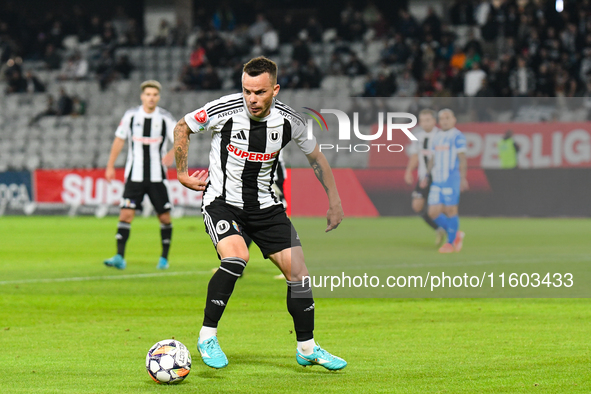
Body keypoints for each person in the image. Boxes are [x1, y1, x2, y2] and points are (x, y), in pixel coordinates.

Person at [173, 56, 347, 371]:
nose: (252, 99)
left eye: (260, 92)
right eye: (247, 91)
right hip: (222, 201)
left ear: (275, 90)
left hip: (266, 207)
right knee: (237, 257)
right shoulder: (222, 109)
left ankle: (307, 348)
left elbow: (317, 157)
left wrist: (334, 200)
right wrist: (182, 173)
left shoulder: (290, 120)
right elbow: (182, 127)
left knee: (299, 274)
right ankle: (207, 336)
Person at [103, 80, 177, 270]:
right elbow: (119, 140)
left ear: (158, 97)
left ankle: (164, 258)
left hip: (157, 177)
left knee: (164, 218)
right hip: (134, 175)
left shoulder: (165, 118)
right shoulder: (131, 116)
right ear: (142, 96)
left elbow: (181, 137)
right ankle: (119, 256)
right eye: (148, 94)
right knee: (126, 214)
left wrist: (171, 153)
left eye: (154, 95)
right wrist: (110, 165)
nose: (151, 98)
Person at [422, 109, 468, 253]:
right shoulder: (436, 137)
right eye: (442, 118)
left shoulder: (457, 136)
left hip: (451, 178)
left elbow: (462, 158)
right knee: (432, 212)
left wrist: (463, 177)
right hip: (437, 179)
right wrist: (427, 175)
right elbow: (433, 158)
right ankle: (455, 234)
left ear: (454, 119)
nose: (445, 121)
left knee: (451, 210)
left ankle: (450, 243)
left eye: (447, 118)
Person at [404, 109, 446, 245]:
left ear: (434, 121)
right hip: (424, 177)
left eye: (428, 120)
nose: (425, 123)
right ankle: (439, 229)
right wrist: (409, 171)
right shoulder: (418, 137)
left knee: (438, 209)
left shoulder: (441, 136)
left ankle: (452, 232)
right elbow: (415, 155)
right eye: (422, 120)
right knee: (417, 206)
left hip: (439, 177)